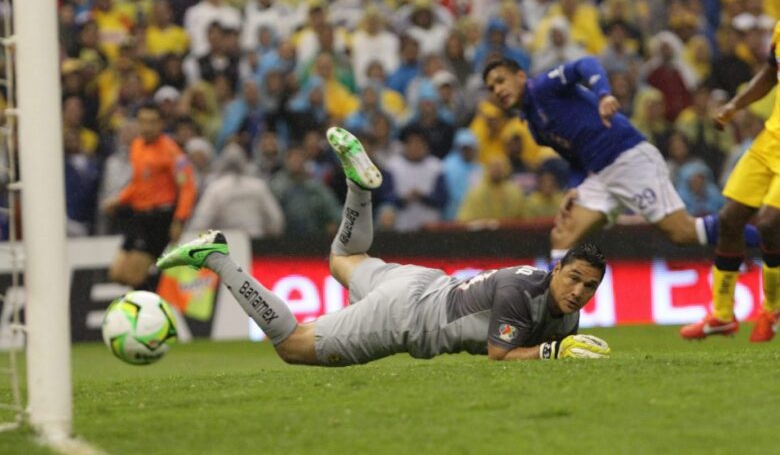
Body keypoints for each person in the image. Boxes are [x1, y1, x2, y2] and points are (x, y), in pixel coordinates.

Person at [157, 127, 611, 365]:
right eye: (573, 278)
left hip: (419, 281)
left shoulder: (565, 310)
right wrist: (556, 352)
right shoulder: (522, 292)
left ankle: (359, 188)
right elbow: (502, 355)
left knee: (343, 259)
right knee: (291, 345)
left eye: (589, 286)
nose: (579, 291)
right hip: (407, 317)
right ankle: (215, 255)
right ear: (555, 270)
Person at [482, 57, 760, 266]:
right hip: (601, 175)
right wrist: (574, 186)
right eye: (491, 87)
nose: (497, 89)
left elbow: (584, 64)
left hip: (628, 157)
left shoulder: (542, 87)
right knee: (562, 237)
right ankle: (555, 326)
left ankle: (768, 241)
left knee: (682, 232)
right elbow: (576, 159)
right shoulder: (534, 126)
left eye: (500, 80)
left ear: (520, 76)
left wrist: (603, 94)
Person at [680, 21, 780, 342]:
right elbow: (770, 72)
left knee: (769, 224)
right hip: (770, 142)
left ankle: (772, 309)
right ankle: (722, 315)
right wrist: (736, 105)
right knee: (729, 219)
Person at [103, 102, 197, 289]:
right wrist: (119, 199)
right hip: (138, 217)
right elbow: (138, 184)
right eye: (143, 122)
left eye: (152, 122)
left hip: (159, 218)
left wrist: (179, 219)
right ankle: (156, 285)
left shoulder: (172, 152)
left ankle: (154, 297)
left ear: (161, 124)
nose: (147, 127)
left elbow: (188, 188)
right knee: (117, 273)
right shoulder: (137, 146)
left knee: (133, 276)